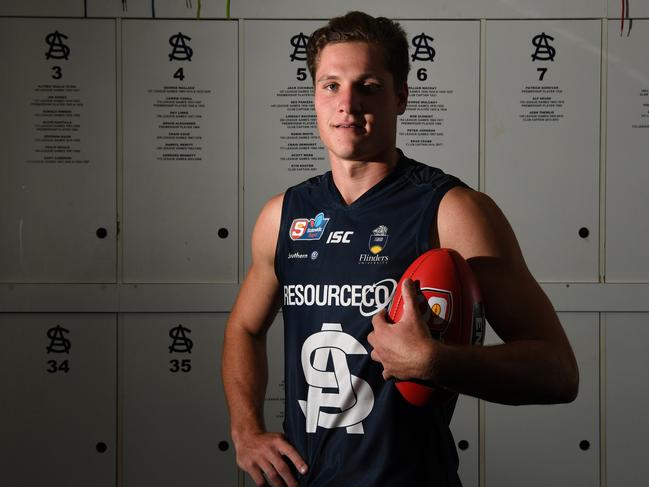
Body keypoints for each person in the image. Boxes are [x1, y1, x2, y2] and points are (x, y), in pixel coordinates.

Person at [222, 11, 578, 486]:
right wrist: (246, 430)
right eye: (331, 85)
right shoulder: (283, 215)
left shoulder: (452, 211)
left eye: (368, 85)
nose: (346, 104)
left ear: (402, 97)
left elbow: (557, 372)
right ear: (314, 98)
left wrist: (438, 363)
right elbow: (245, 328)